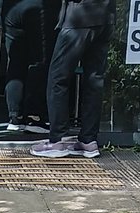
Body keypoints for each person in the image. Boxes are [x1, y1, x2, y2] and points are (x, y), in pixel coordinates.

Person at [30, 0, 115, 158]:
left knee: (58, 77)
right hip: (106, 17)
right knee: (94, 81)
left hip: (80, 16)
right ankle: (88, 141)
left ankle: (57, 140)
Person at [1, 0, 57, 134]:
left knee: (15, 61)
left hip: (11, 8)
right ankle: (34, 116)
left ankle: (15, 117)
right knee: (39, 61)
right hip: (37, 7)